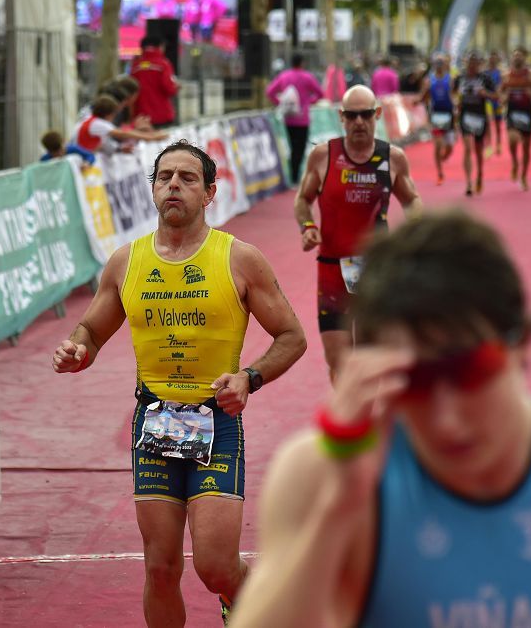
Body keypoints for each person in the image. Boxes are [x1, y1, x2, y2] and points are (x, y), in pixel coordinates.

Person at [230, 208, 531, 628]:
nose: (447, 420)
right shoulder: (319, 474)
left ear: (521, 345)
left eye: (470, 372)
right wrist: (339, 506)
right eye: (414, 383)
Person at [51, 141, 307, 627]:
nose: (174, 185)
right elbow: (90, 330)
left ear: (210, 192)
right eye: (164, 176)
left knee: (214, 566)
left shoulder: (239, 258)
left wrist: (249, 378)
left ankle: (249, 606)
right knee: (161, 568)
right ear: (151, 189)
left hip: (215, 421)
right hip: (155, 423)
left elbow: (292, 336)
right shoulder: (127, 261)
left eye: (188, 178)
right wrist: (77, 349)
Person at [293, 85, 423, 382]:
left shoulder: (393, 158)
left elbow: (412, 199)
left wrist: (417, 230)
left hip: (375, 271)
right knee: (338, 361)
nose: (359, 122)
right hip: (331, 270)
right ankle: (352, 417)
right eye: (352, 116)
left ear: (377, 114)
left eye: (366, 115)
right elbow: (303, 199)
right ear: (342, 117)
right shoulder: (324, 156)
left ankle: (364, 421)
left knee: (369, 359)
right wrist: (308, 227)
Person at [266, 53, 325, 186]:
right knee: (300, 147)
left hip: (289, 118)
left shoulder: (284, 76)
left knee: (293, 147)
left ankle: (293, 176)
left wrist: (279, 103)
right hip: (302, 119)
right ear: (302, 63)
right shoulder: (307, 77)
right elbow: (320, 93)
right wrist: (309, 102)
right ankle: (295, 177)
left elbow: (269, 91)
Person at [455, 51, 500, 196]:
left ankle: (480, 173)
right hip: (465, 116)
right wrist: (456, 101)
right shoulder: (460, 78)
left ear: (479, 64)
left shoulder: (485, 78)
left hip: (480, 117)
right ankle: (468, 182)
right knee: (467, 148)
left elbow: (496, 96)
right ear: (466, 63)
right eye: (470, 62)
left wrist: (485, 94)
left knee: (478, 150)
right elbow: (452, 92)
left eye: (475, 63)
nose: (472, 66)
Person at [70, 95, 167, 156]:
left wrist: (119, 149)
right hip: (80, 157)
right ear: (108, 114)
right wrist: (151, 137)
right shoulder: (97, 123)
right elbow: (124, 134)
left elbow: (103, 144)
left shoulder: (92, 121)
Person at [501, 47, 531, 191]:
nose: (517, 58)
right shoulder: (506, 76)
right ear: (512, 59)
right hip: (512, 112)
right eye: (515, 56)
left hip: (526, 113)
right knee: (512, 140)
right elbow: (501, 93)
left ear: (524, 58)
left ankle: (524, 176)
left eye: (520, 56)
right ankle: (514, 163)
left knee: (526, 147)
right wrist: (504, 98)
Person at [418, 54, 457, 185]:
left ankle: (443, 157)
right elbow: (424, 97)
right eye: (437, 63)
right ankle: (440, 173)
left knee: (450, 147)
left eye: (442, 63)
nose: (439, 65)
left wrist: (456, 107)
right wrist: (419, 99)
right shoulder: (429, 80)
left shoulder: (450, 79)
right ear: (434, 65)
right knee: (438, 145)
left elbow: (454, 95)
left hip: (449, 114)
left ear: (445, 64)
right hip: (436, 115)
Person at [131, 36, 180, 128]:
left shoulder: (136, 65)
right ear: (160, 47)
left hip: (141, 117)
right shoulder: (163, 64)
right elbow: (169, 89)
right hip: (161, 115)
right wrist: (176, 88)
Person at [485, 51, 504, 156]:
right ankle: (488, 145)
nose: (492, 61)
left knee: (497, 124)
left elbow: (502, 86)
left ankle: (498, 143)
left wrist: (501, 98)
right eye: (490, 59)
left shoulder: (500, 73)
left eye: (494, 59)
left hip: (497, 101)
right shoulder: (485, 73)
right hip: (488, 100)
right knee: (487, 123)